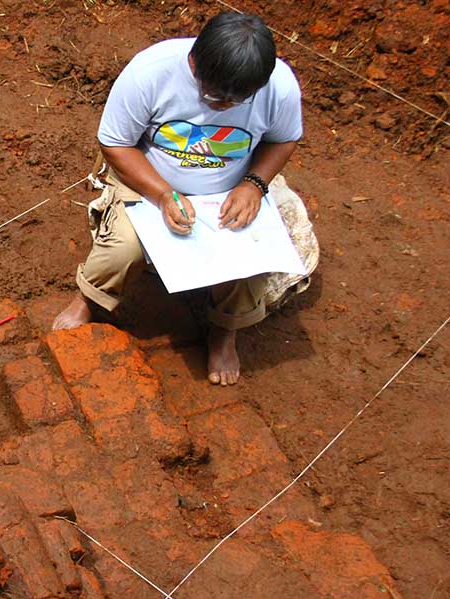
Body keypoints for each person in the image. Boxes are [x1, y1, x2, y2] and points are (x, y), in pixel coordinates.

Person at [53, 12, 304, 386]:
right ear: (194, 62)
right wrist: (163, 194)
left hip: (228, 191)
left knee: (249, 259)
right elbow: (115, 143)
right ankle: (89, 299)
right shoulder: (150, 73)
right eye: (213, 95)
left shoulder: (279, 87)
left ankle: (223, 330)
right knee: (122, 248)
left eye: (237, 100)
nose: (222, 106)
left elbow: (283, 139)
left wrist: (253, 184)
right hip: (148, 183)